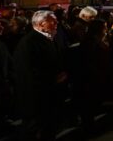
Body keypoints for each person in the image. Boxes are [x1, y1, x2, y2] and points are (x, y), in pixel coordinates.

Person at [13, 10, 67, 140]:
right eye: (52, 21)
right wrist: (53, 79)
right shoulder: (29, 42)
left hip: (50, 92)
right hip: (36, 96)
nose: (56, 23)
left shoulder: (50, 37)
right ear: (41, 24)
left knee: (49, 127)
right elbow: (28, 71)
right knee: (36, 128)